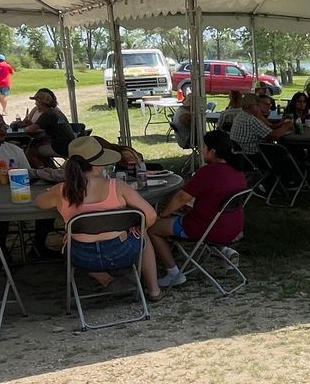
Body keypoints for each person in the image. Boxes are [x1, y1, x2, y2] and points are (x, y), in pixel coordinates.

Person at [37, 136, 160, 298]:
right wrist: (139, 229)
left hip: (81, 256)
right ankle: (154, 290)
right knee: (144, 236)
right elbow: (151, 215)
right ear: (98, 165)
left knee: (74, 241)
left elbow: (39, 202)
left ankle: (106, 279)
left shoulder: (61, 190)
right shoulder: (117, 186)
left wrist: (56, 192)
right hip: (122, 252)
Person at [149, 129, 248, 284]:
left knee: (153, 229)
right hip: (234, 227)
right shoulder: (237, 171)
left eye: (204, 147)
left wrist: (163, 214)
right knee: (178, 218)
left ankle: (173, 274)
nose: (202, 150)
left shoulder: (208, 172)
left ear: (212, 151)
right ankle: (223, 251)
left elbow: (181, 198)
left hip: (207, 228)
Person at [230, 91, 293, 155]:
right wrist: (286, 127)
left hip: (241, 155)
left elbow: (268, 128)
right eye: (257, 105)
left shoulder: (241, 115)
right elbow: (273, 136)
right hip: (254, 155)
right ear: (250, 106)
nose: (259, 107)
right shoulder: (251, 120)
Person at [21, 87, 74, 155]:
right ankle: (47, 162)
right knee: (37, 148)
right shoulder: (56, 112)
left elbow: (30, 130)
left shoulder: (47, 114)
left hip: (60, 148)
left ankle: (41, 163)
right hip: (69, 145)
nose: (35, 104)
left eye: (36, 101)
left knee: (30, 151)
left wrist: (25, 128)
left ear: (41, 102)